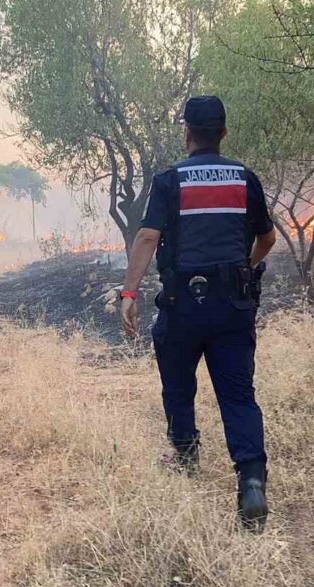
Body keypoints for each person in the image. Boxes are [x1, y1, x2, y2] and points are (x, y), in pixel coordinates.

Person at [119, 96, 277, 531]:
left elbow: (149, 237)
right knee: (238, 395)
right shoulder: (245, 179)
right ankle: (250, 480)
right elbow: (268, 238)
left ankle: (186, 456)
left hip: (183, 304)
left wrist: (129, 292)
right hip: (233, 305)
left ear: (186, 131)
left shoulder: (170, 179)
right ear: (223, 133)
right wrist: (242, 265)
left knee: (177, 383)